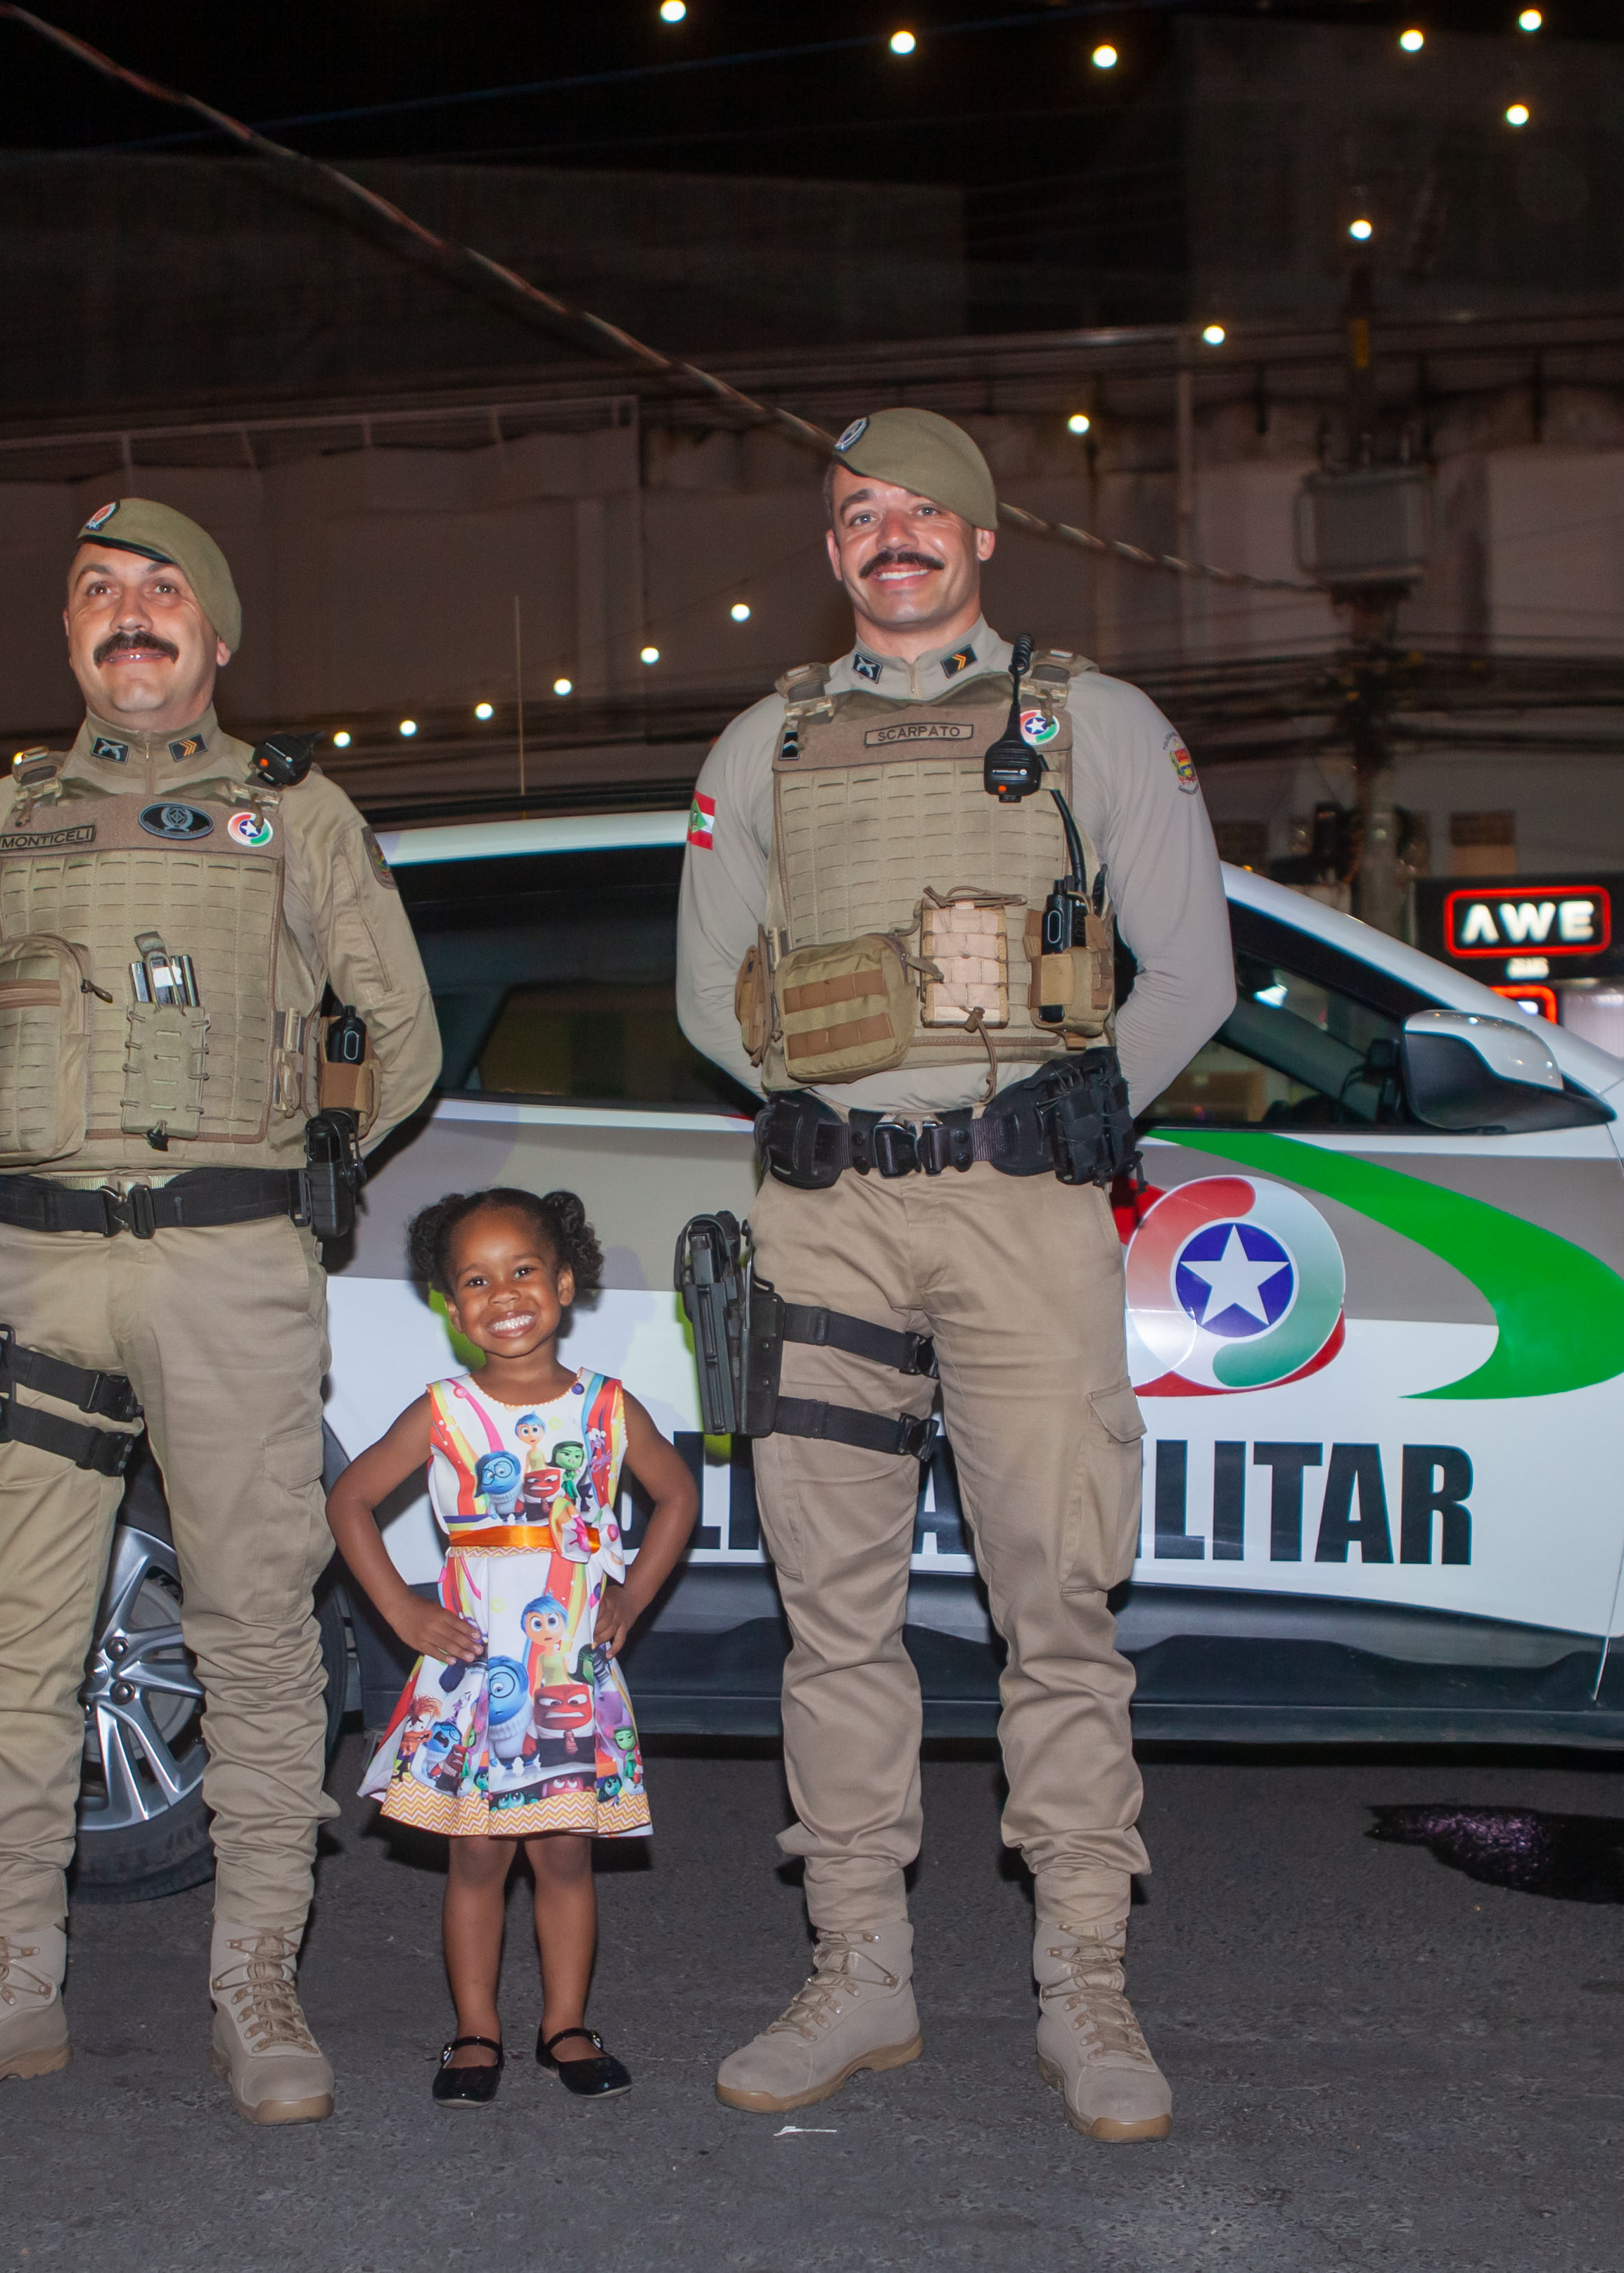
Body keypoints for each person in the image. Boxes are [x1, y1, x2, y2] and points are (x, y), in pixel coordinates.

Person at [674, 408, 1240, 2142]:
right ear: (832, 548)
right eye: (860, 512)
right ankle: (861, 1969)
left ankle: (1085, 1985)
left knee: (1057, 1607)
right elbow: (711, 996)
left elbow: (1192, 971)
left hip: (1022, 1205)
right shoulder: (766, 740)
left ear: (983, 537)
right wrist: (844, 1103)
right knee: (834, 1615)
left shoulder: (1092, 721)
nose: (893, 533)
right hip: (829, 1213)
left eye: (926, 508)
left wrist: (1081, 1106)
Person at [0, 497, 440, 2126]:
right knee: (22, 1635)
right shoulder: (3, 819)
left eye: (160, 589)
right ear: (69, 635)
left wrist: (287, 1154)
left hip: (230, 1266)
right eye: (97, 590)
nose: (129, 612)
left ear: (218, 633)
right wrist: (51, 1152)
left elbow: (394, 1035)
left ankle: (256, 1984)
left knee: (253, 1629)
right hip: (42, 1267)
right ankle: (11, 1982)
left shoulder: (295, 809)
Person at [324, 1188, 699, 2105]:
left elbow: (676, 1494)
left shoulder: (606, 1408)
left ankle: (565, 2023)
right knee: (477, 1856)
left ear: (565, 1282)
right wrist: (401, 1612)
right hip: (474, 1670)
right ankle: (475, 2028)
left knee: (565, 1854)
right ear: (452, 1308)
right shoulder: (444, 1410)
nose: (504, 1295)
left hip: (567, 1669)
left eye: (523, 1270)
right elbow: (348, 1500)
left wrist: (633, 1594)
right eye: (476, 1280)